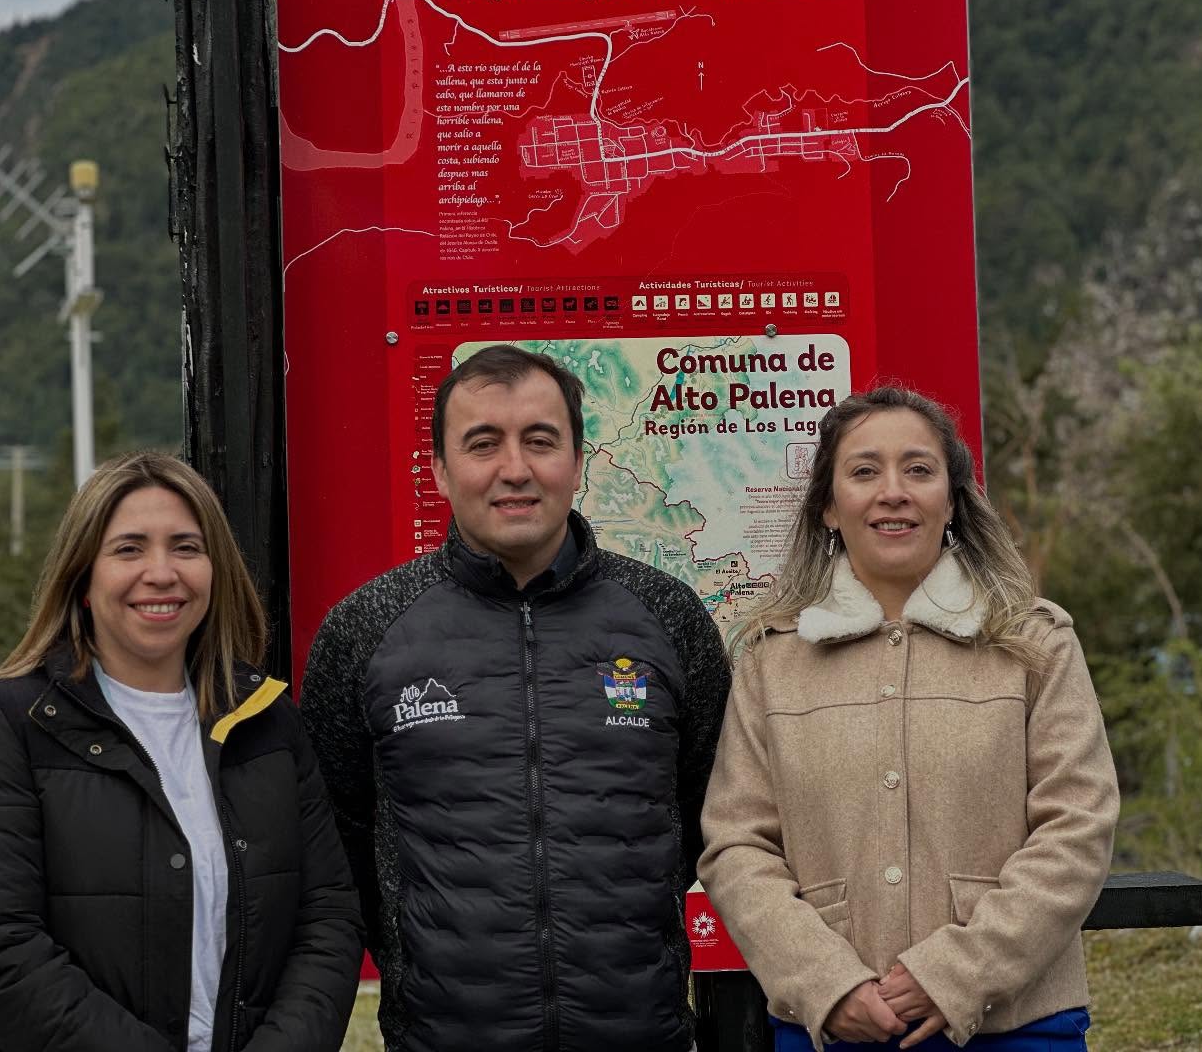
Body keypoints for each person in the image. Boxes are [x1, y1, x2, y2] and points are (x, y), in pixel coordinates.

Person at [301, 344, 732, 1052]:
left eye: (540, 440)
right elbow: (338, 840)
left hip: (638, 1032)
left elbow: (704, 813)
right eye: (483, 444)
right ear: (440, 470)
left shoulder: (668, 616)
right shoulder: (366, 628)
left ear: (578, 460)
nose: (515, 469)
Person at [699, 387, 1119, 1052]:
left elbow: (1079, 824)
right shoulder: (772, 661)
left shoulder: (1035, 644)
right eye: (864, 471)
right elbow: (736, 844)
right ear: (829, 506)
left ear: (951, 500)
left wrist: (956, 974)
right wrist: (827, 983)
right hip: (832, 1029)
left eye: (919, 470)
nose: (892, 492)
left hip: (1017, 1024)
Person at [0, 451, 363, 1052]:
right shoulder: (7, 726)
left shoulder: (269, 722)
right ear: (82, 579)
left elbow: (328, 919)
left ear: (214, 571)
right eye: (129, 549)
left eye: (186, 547)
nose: (161, 573)